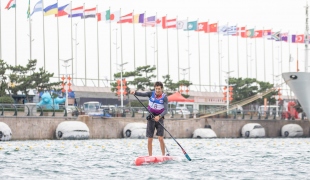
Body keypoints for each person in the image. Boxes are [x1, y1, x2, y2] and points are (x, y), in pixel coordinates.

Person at [130, 81, 168, 156]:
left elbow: (166, 110)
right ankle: (150, 156)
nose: (157, 90)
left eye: (159, 89)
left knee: (160, 138)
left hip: (160, 118)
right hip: (151, 118)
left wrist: (159, 116)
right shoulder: (151, 94)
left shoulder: (164, 97)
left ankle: (163, 155)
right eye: (156, 89)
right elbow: (142, 94)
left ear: (162, 89)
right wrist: (135, 92)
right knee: (150, 138)